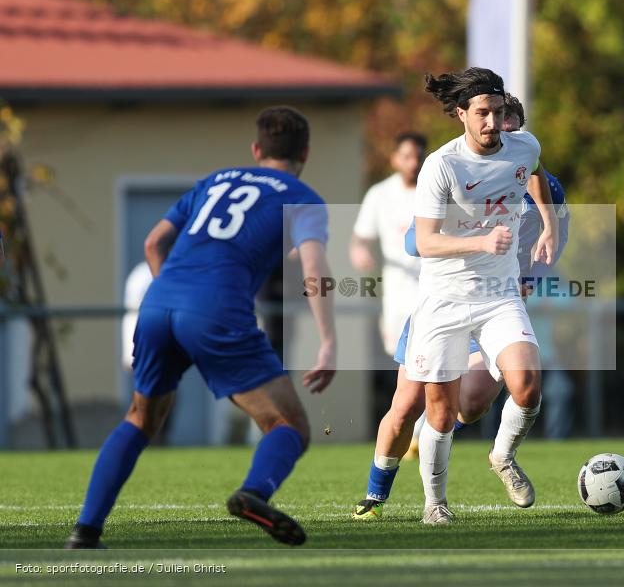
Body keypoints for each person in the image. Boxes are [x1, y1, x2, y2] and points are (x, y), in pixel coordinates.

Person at [65, 106, 336, 549]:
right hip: (216, 308)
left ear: (256, 150)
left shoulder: (215, 180)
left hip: (158, 301)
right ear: (304, 153)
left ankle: (85, 531)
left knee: (140, 418)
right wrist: (328, 342)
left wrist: (174, 297)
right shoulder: (303, 197)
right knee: (289, 424)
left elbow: (154, 242)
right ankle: (253, 493)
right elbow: (314, 266)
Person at [352, 93, 570, 521]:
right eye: (490, 120)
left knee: (477, 402)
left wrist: (532, 271)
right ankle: (376, 495)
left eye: (507, 123)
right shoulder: (450, 168)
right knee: (409, 406)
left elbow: (551, 236)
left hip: (498, 300)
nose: (498, 132)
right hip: (443, 301)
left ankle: (501, 457)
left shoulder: (534, 172)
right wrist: (476, 238)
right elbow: (416, 242)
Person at [350, 133, 427, 356]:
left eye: (418, 157)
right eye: (407, 157)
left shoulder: (436, 190)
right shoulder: (380, 194)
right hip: (397, 297)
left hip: (434, 293)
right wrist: (359, 250)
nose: (413, 163)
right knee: (401, 360)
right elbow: (360, 237)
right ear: (395, 159)